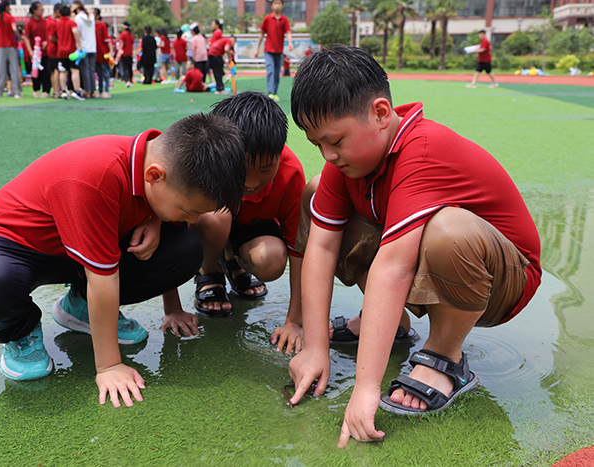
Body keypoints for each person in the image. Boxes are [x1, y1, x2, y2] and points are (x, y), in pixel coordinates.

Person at [286, 46, 541, 446]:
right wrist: (315, 347)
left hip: (504, 280)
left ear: (382, 114)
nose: (328, 154)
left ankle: (445, 355)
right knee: (316, 193)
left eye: (334, 140)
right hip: (432, 263)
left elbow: (394, 268)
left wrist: (366, 388)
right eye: (317, 143)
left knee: (447, 230)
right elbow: (320, 248)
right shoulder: (346, 160)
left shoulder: (422, 149)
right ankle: (396, 326)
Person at [0, 113, 246, 409]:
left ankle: (79, 308)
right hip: (15, 246)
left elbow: (162, 211)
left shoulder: (162, 163)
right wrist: (109, 366)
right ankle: (19, 331)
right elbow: (102, 278)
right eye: (186, 209)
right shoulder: (94, 175)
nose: (193, 219)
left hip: (80, 251)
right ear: (154, 176)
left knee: (184, 248)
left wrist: (156, 219)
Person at [180, 92, 306, 358]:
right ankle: (210, 270)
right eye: (242, 168)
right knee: (217, 217)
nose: (250, 182)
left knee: (271, 259)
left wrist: (295, 321)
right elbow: (175, 218)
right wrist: (172, 307)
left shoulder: (291, 173)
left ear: (279, 152)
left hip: (256, 229)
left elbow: (298, 250)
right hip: (214, 222)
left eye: (265, 169)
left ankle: (234, 263)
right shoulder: (209, 160)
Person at [255, 0, 293, 102]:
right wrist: (257, 49)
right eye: (275, 3)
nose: (276, 5)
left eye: (278, 3)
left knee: (277, 73)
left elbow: (288, 32)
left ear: (282, 6)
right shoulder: (267, 19)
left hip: (279, 51)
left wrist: (290, 43)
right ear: (271, 6)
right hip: (268, 50)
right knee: (270, 70)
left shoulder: (284, 20)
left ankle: (275, 93)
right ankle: (270, 92)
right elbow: (262, 34)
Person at [0, 0, 22, 99]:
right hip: (11, 46)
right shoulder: (10, 17)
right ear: (7, 7)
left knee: (0, 69)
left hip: (0, 47)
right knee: (14, 69)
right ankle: (16, 92)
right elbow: (14, 29)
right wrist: (19, 38)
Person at [56, 4, 83, 100]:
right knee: (75, 70)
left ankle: (63, 91)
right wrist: (79, 44)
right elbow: (75, 31)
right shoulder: (71, 22)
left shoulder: (57, 23)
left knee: (63, 71)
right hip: (71, 51)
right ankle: (76, 90)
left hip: (61, 51)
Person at [23, 1, 50, 98]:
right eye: (40, 10)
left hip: (45, 51)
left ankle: (46, 90)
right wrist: (30, 51)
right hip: (35, 52)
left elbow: (49, 34)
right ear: (34, 11)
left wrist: (47, 41)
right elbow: (26, 37)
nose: (42, 11)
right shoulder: (29, 23)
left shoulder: (45, 21)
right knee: (35, 71)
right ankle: (36, 89)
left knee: (46, 71)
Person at [71, 1, 96, 98]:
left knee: (85, 70)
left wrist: (79, 45)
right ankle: (92, 90)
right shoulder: (91, 16)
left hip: (83, 47)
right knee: (91, 70)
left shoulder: (78, 18)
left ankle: (87, 90)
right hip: (93, 46)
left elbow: (77, 32)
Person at [93, 8, 112, 98]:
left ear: (97, 16)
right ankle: (100, 91)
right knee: (99, 73)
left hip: (103, 53)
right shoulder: (91, 25)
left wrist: (110, 51)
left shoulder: (102, 26)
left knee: (105, 72)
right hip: (95, 53)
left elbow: (107, 39)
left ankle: (107, 90)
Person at [117, 21, 133, 86]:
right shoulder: (131, 35)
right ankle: (130, 80)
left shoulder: (123, 34)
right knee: (129, 67)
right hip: (130, 53)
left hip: (125, 53)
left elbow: (121, 44)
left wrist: (118, 48)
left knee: (125, 67)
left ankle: (127, 80)